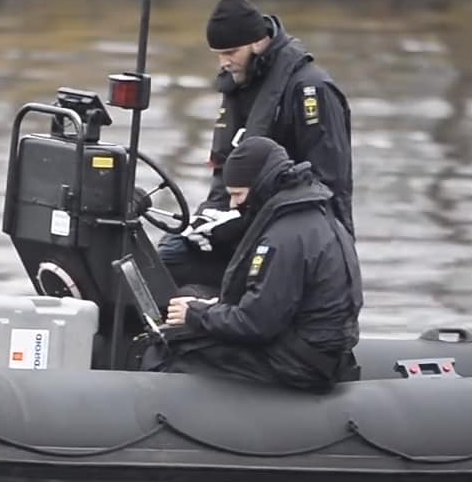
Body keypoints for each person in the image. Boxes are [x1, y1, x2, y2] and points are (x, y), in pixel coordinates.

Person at [158, 0, 353, 293]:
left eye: (231, 52)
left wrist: (242, 223)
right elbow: (226, 173)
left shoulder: (311, 91)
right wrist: (208, 219)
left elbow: (326, 186)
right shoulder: (241, 84)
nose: (224, 63)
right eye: (218, 54)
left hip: (291, 238)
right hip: (242, 225)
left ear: (259, 42)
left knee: (172, 271)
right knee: (162, 257)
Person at [143, 136, 362, 392]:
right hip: (315, 350)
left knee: (172, 348)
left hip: (300, 364)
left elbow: (256, 324)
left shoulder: (284, 236)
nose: (234, 204)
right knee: (193, 301)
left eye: (237, 194)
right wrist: (210, 308)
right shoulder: (312, 215)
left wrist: (196, 314)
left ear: (260, 185)